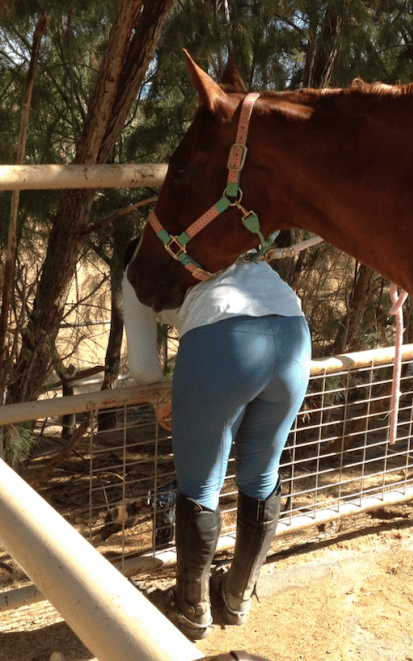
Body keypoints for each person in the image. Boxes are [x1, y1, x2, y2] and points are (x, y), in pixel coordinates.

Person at [122, 239, 311, 640]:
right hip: (293, 333)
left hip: (223, 338)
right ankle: (237, 597)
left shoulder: (136, 266)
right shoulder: (221, 245)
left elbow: (142, 367)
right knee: (262, 475)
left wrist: (160, 398)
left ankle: (191, 608)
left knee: (201, 486)